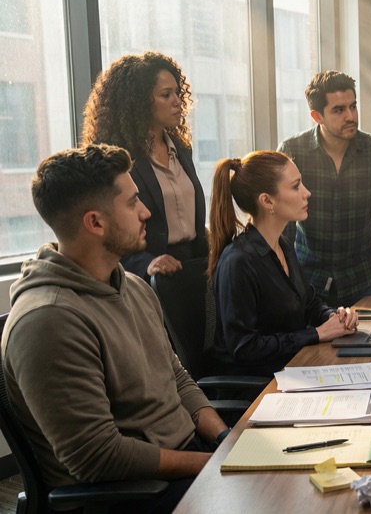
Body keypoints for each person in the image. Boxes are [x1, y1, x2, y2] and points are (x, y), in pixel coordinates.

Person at [2, 144, 228, 513]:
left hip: (187, 460)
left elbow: (178, 379)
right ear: (95, 222)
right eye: (132, 202)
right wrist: (209, 466)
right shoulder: (48, 321)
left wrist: (224, 439)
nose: (146, 212)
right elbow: (98, 456)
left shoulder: (133, 287)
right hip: (131, 493)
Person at [208, 151, 359, 377]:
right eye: (296, 186)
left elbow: (307, 303)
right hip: (259, 388)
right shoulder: (238, 261)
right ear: (267, 200)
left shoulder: (283, 245)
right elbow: (245, 348)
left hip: (293, 369)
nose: (307, 193)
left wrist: (333, 316)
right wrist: (316, 334)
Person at [277, 71, 371, 308]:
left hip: (360, 281)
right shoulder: (292, 150)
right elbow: (282, 225)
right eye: (339, 110)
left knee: (369, 344)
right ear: (316, 116)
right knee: (312, 345)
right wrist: (283, 280)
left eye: (353, 106)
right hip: (308, 280)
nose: (350, 116)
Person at [81, 51, 207, 281]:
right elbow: (106, 234)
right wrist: (147, 264)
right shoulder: (115, 159)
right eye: (166, 95)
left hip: (194, 266)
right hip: (148, 275)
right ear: (138, 102)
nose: (178, 101)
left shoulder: (181, 149)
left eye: (177, 93)